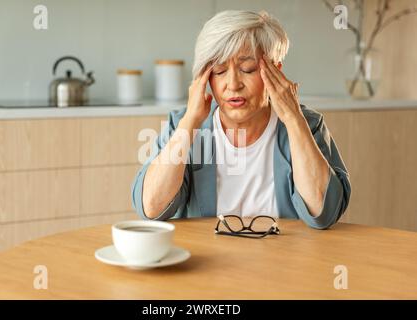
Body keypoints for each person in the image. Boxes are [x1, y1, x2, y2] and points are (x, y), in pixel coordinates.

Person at [131, 10, 351, 229]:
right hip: (206, 261)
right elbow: (151, 207)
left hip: (284, 260)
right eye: (219, 71)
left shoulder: (307, 125)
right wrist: (189, 122)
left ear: (276, 71)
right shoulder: (184, 125)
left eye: (248, 69)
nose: (233, 84)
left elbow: (324, 213)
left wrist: (294, 120)